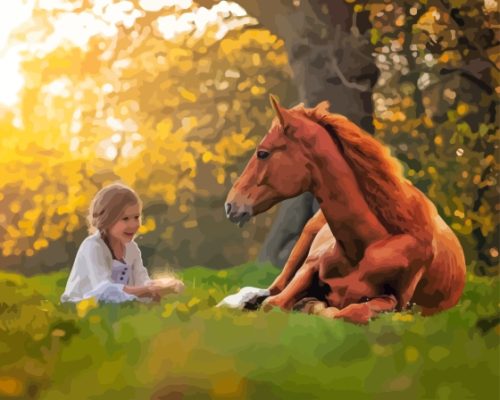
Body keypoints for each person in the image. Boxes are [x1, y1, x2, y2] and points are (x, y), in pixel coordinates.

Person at [61, 183, 184, 303]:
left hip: (117, 308)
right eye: (125, 219)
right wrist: (148, 290)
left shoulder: (131, 249)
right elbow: (104, 291)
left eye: (136, 217)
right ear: (107, 220)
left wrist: (161, 287)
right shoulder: (93, 246)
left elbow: (142, 281)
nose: (133, 224)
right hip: (83, 307)